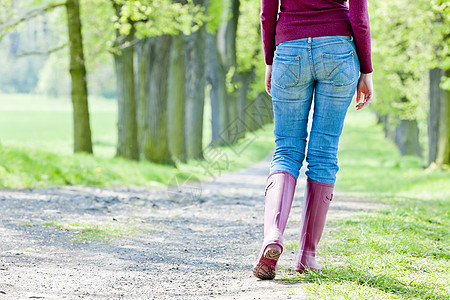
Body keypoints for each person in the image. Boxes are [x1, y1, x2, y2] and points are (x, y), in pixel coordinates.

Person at [253, 0, 374, 280]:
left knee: (286, 149)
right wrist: (366, 70)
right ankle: (307, 256)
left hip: (290, 49)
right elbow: (360, 18)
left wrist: (270, 61)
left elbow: (267, 13)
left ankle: (273, 234)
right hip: (338, 51)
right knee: (324, 153)